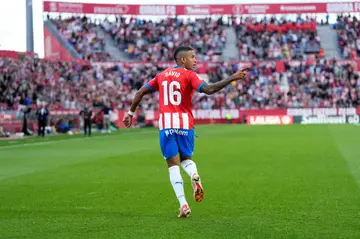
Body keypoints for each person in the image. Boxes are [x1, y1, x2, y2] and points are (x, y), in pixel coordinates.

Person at [123, 46, 249, 218]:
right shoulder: (190, 75)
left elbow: (140, 92)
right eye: (192, 57)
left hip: (167, 125)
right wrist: (232, 78)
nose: (195, 60)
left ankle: (183, 204)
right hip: (185, 124)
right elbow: (210, 90)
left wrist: (130, 113)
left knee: (172, 165)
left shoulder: (161, 75)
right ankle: (194, 174)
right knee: (186, 160)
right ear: (182, 60)